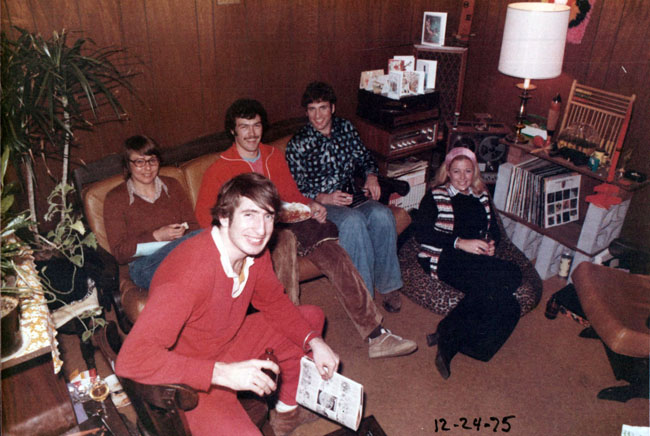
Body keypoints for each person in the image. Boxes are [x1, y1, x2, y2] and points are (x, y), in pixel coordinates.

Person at [116, 173, 340, 436]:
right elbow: (130, 360)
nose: (261, 230)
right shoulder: (188, 276)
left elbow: (274, 302)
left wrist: (314, 341)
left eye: (268, 216)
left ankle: (286, 412)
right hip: (189, 375)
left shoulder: (253, 252)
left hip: (225, 342)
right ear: (224, 217)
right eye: (249, 215)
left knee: (310, 320)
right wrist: (222, 374)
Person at [194, 98, 417, 359]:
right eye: (244, 127)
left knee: (335, 255)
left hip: (291, 221)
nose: (252, 133)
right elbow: (204, 217)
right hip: (258, 234)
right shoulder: (220, 168)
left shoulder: (273, 155)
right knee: (284, 249)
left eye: (256, 125)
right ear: (233, 130)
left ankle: (375, 334)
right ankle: (291, 343)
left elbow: (291, 195)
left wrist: (312, 205)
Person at [285, 82, 404, 313]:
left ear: (332, 108)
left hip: (353, 196)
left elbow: (365, 158)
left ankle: (389, 285)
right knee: (353, 222)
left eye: (322, 108)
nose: (317, 116)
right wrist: (324, 197)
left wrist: (371, 176)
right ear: (306, 112)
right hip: (323, 205)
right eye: (312, 109)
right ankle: (363, 298)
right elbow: (295, 188)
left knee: (382, 215)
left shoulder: (346, 128)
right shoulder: (297, 145)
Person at [413, 147, 522, 379]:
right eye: (456, 171)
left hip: (474, 257)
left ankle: (460, 339)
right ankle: (449, 339)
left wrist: (491, 244)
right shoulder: (435, 195)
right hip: (442, 256)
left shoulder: (481, 195)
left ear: (475, 173)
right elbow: (421, 233)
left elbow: (494, 230)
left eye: (468, 171)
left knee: (512, 286)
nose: (462, 177)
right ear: (448, 172)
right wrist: (459, 242)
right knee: (493, 290)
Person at [103, 135, 201, 289]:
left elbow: (193, 226)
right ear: (128, 164)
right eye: (139, 162)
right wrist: (157, 236)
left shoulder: (173, 186)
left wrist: (182, 233)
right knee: (205, 240)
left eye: (152, 161)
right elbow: (120, 253)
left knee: (203, 238)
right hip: (145, 265)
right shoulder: (115, 199)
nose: (147, 168)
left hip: (181, 253)